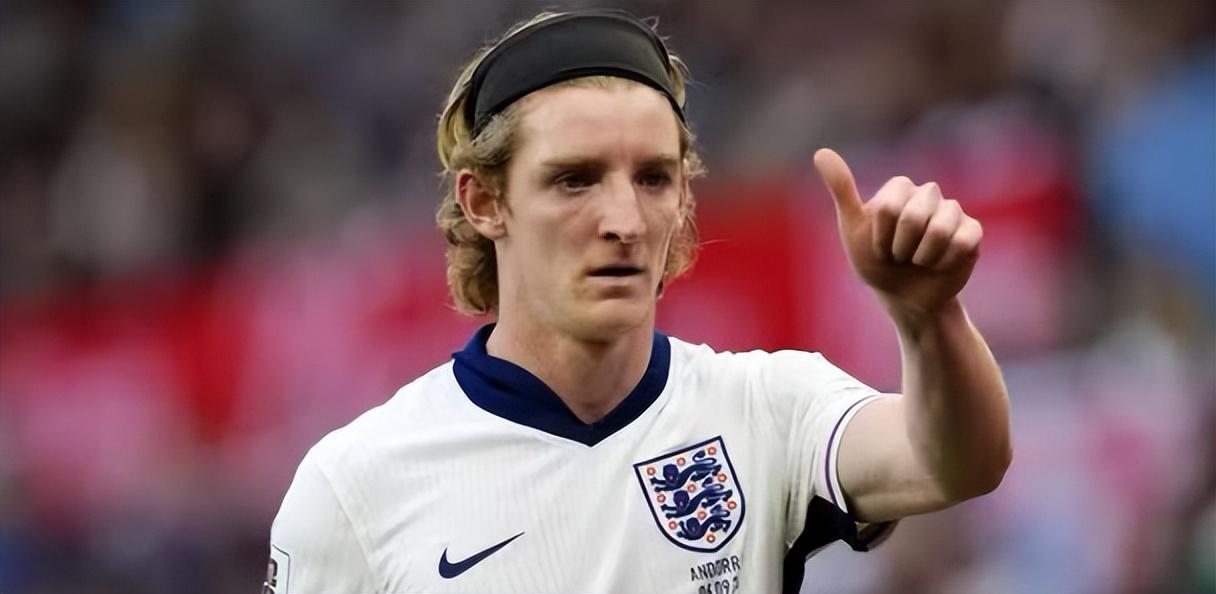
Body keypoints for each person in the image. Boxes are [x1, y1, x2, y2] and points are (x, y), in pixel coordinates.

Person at [265, 9, 1011, 594]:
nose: (624, 220)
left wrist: (928, 316)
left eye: (654, 179)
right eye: (575, 179)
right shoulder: (354, 486)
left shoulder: (765, 407)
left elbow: (957, 463)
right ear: (485, 201)